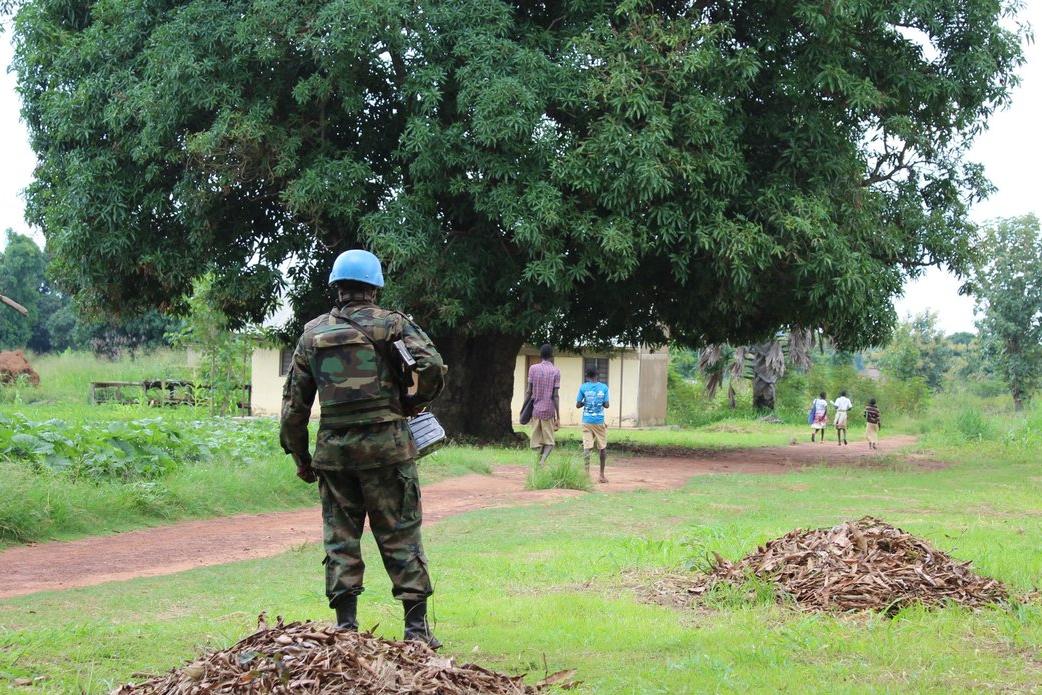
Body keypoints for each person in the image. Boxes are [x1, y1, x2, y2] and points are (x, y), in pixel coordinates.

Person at [279, 249, 447, 648]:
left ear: (337, 287)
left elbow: (293, 410)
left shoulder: (312, 334)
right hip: (388, 450)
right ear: (374, 287)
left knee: (341, 539)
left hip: (335, 456)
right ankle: (416, 631)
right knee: (401, 534)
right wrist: (413, 402)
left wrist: (302, 458)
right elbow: (432, 367)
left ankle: (346, 629)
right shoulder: (393, 325)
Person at [526, 344, 560, 466]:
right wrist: (558, 416)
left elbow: (529, 391)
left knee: (536, 442)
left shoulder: (533, 369)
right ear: (551, 355)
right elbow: (555, 396)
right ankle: (541, 461)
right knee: (549, 442)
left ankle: (538, 463)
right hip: (549, 411)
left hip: (535, 410)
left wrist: (524, 408)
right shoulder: (556, 371)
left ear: (540, 355)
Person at [576, 366, 610, 483]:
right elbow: (607, 405)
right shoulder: (604, 387)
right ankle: (601, 475)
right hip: (599, 421)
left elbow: (578, 405)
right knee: (602, 448)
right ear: (597, 375)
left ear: (587, 376)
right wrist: (600, 402)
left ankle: (586, 474)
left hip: (587, 421)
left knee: (587, 447)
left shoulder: (583, 387)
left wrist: (586, 402)